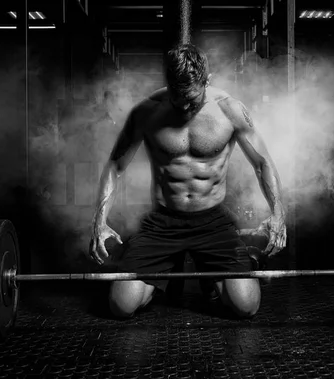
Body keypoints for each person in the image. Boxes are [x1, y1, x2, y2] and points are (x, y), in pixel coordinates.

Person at [89, 44, 287, 318]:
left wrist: (278, 214)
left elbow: (263, 163)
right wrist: (99, 222)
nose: (182, 105)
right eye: (176, 96)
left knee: (247, 307)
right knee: (120, 306)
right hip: (163, 222)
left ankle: (210, 277)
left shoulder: (230, 110)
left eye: (191, 98)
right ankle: (165, 276)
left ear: (207, 80)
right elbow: (115, 166)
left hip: (212, 222)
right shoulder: (146, 112)